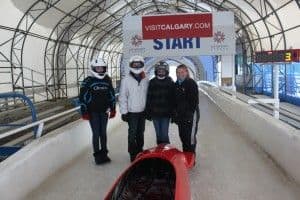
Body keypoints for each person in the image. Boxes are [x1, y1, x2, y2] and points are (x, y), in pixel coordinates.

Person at [79, 58, 116, 165]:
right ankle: (97, 156)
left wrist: (113, 109)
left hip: (104, 111)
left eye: (102, 68)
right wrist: (84, 111)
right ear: (93, 68)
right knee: (96, 134)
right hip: (93, 112)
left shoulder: (107, 80)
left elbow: (111, 95)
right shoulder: (88, 81)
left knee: (103, 133)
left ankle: (104, 154)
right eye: (97, 68)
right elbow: (82, 97)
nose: (100, 70)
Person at [119, 55, 149, 162]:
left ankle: (140, 150)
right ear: (131, 65)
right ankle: (132, 153)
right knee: (132, 133)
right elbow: (122, 96)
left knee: (140, 132)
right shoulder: (126, 79)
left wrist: (148, 109)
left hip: (142, 111)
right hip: (132, 112)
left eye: (138, 64)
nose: (136, 66)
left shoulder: (146, 79)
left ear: (142, 65)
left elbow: (148, 95)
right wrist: (124, 112)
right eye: (134, 64)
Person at [172, 64, 200, 165]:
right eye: (178, 72)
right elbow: (174, 102)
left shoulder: (191, 83)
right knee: (183, 136)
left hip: (191, 115)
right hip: (181, 116)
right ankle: (185, 156)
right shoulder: (176, 85)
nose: (180, 74)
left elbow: (194, 101)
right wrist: (175, 114)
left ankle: (191, 159)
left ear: (186, 72)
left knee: (190, 138)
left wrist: (189, 114)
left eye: (182, 72)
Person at [145, 61, 175, 145]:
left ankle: (166, 150)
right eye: (159, 70)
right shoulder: (152, 82)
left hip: (166, 113)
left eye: (162, 70)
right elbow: (149, 98)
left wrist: (173, 112)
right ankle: (160, 151)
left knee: (164, 134)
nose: (161, 71)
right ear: (156, 71)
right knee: (158, 134)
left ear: (166, 71)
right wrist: (148, 111)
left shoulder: (170, 82)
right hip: (155, 113)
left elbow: (173, 98)